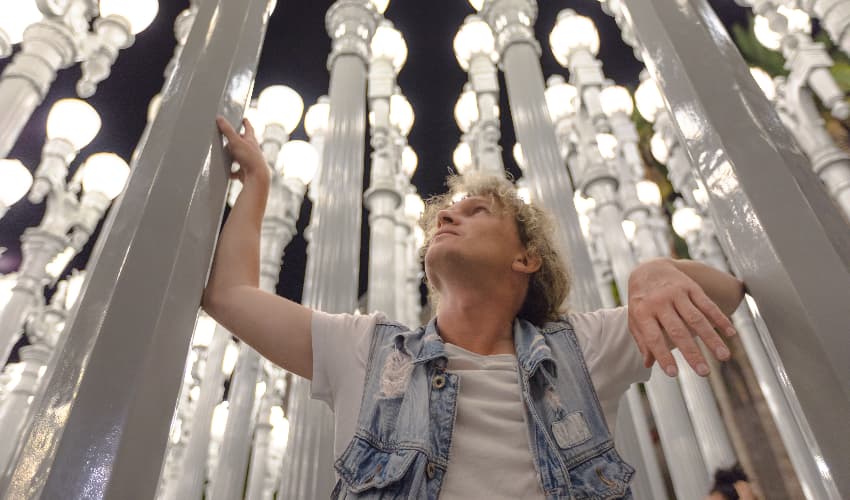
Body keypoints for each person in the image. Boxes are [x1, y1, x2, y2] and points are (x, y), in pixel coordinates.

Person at [204, 116, 745, 499]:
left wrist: (654, 273)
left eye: (476, 211)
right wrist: (257, 181)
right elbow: (229, 295)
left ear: (526, 258)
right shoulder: (366, 349)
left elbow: (731, 292)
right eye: (443, 214)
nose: (445, 218)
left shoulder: (582, 347)